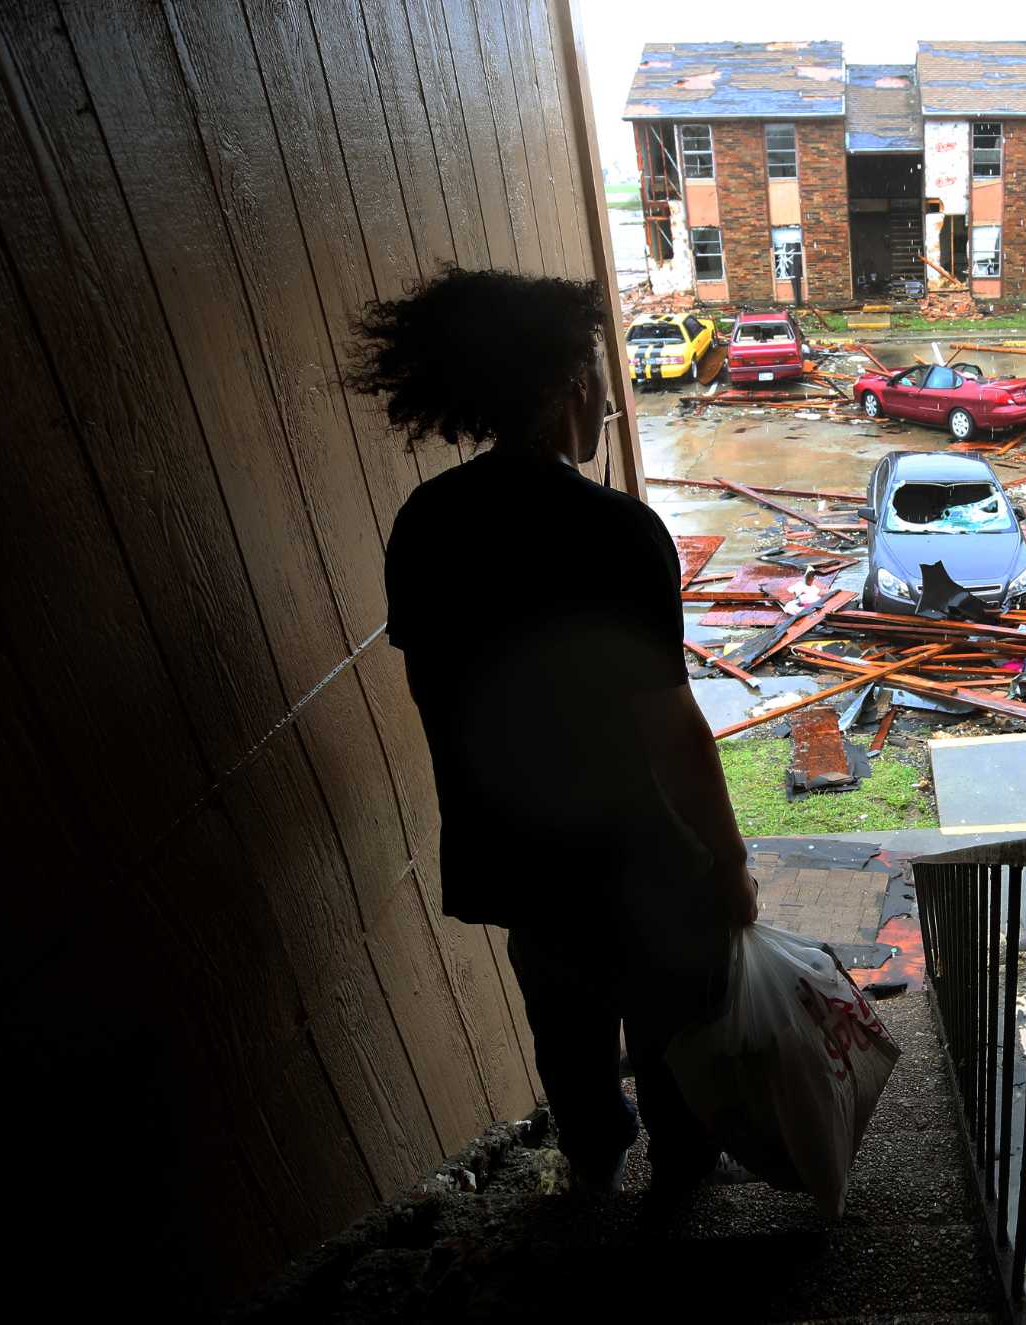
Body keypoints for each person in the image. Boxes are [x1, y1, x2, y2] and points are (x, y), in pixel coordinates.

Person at [349, 268, 757, 1201]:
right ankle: (682, 1174)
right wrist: (727, 858)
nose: (611, 397)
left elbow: (430, 692)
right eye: (600, 375)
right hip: (630, 848)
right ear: (567, 385)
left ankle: (592, 1163)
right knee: (665, 1017)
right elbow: (673, 728)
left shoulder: (427, 523)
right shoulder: (615, 532)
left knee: (563, 1016)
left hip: (514, 847)